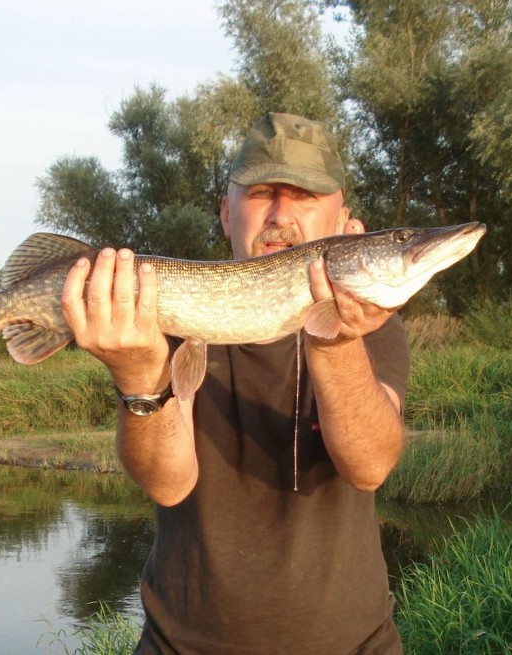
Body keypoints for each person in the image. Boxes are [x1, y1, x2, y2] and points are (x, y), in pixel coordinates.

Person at [62, 112, 410, 654]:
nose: (280, 214)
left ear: (345, 224)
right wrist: (139, 375)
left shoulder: (373, 331)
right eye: (262, 193)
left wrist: (337, 340)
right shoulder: (166, 323)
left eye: (305, 196)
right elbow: (167, 484)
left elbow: (368, 467)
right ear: (226, 214)